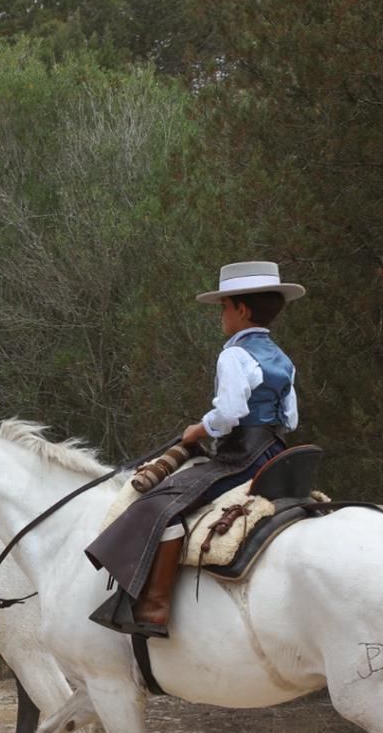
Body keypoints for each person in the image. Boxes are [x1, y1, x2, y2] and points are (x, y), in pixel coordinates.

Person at [85, 260, 303, 638]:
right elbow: (291, 417)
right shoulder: (282, 358)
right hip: (276, 453)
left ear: (242, 310)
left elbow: (231, 414)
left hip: (241, 456)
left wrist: (200, 428)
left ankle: (154, 605)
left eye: (223, 307)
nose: (221, 316)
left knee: (160, 505)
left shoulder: (234, 355)